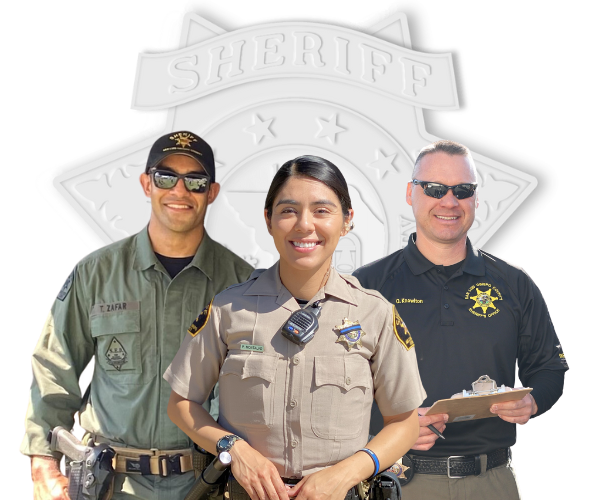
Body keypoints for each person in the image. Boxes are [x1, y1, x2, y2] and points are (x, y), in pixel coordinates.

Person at [164, 155, 427, 500]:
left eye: (322, 210)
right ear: (268, 220)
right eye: (288, 211)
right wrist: (234, 449)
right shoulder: (228, 308)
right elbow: (181, 404)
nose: (304, 225)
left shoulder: (375, 313)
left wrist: (346, 474)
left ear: (347, 221)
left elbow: (405, 423)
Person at [19, 131, 254, 500]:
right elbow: (54, 365)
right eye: (166, 177)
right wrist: (43, 467)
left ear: (212, 192)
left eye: (195, 181)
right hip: (112, 485)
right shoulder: (96, 274)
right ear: (147, 184)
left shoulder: (243, 284)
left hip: (208, 485)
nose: (180, 190)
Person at [352, 140, 568, 499]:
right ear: (410, 193)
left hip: (493, 482)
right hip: (398, 481)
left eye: (463, 190)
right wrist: (392, 426)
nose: (449, 201)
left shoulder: (516, 282)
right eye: (435, 189)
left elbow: (548, 369)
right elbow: (334, 384)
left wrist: (532, 402)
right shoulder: (367, 285)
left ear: (476, 199)